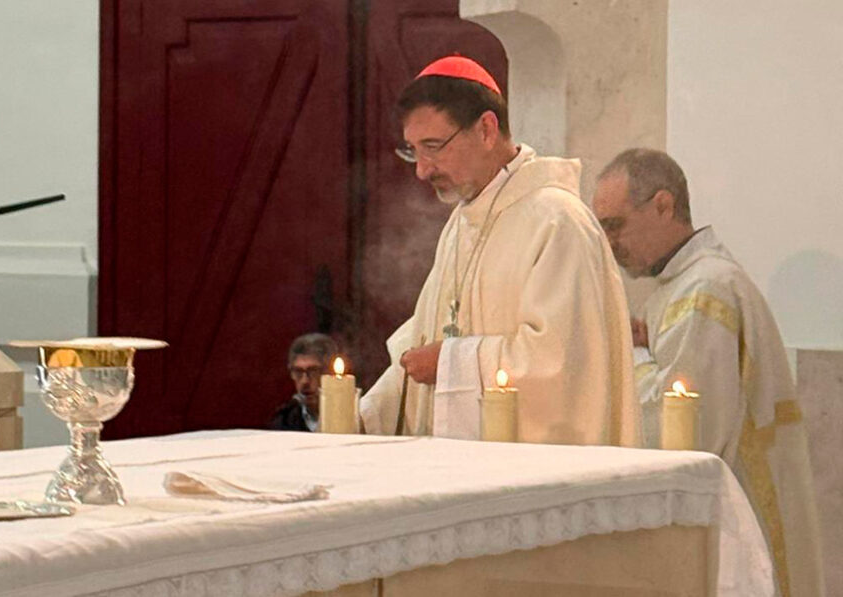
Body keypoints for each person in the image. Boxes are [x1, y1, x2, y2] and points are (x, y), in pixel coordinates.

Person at [358, 55, 639, 447]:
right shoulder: (462, 223)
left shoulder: (558, 221)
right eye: (412, 150)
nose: (422, 170)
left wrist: (451, 363)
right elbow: (425, 337)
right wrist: (365, 416)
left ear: (487, 129)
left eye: (434, 147)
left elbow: (562, 364)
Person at [591, 148, 824, 597]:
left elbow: (688, 424)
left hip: (741, 511)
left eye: (615, 224)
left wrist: (633, 357)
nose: (608, 242)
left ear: (663, 205)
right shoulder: (682, 286)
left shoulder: (707, 289)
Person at [269, 333, 338, 432]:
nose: (304, 381)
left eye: (313, 371)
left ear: (330, 372)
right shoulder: (284, 420)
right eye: (298, 372)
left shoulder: (353, 416)